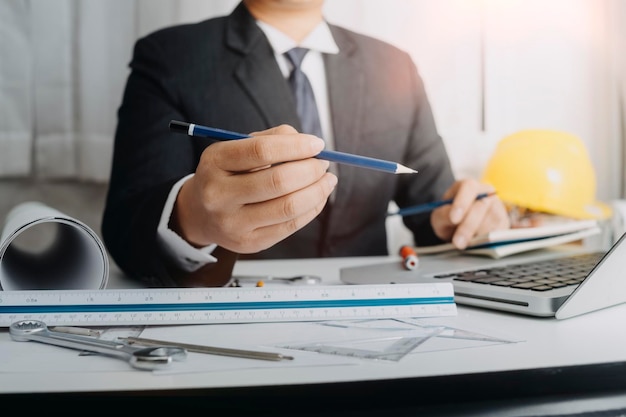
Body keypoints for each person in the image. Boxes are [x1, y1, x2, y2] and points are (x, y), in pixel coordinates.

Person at [102, 0, 510, 288]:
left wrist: (462, 217)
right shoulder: (170, 57)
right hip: (234, 317)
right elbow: (125, 231)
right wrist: (192, 217)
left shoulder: (394, 65)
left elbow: (432, 210)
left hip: (371, 312)